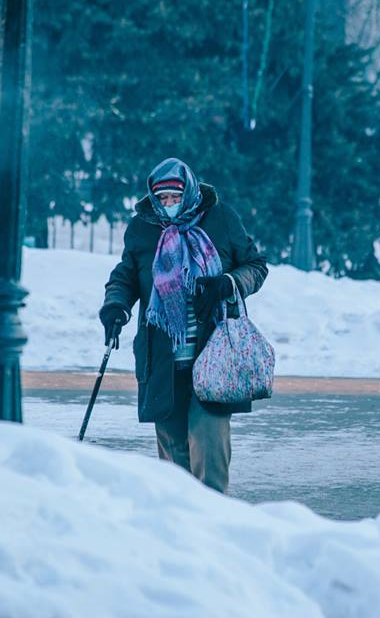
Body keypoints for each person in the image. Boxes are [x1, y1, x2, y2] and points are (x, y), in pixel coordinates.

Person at [99, 157, 268, 493]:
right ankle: (181, 527)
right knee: (174, 462)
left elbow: (256, 265)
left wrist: (228, 282)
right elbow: (126, 276)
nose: (170, 205)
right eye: (163, 199)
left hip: (214, 354)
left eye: (175, 197)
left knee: (208, 451)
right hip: (162, 356)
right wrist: (115, 305)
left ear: (189, 191)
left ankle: (214, 525)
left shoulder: (221, 219)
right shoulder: (142, 229)